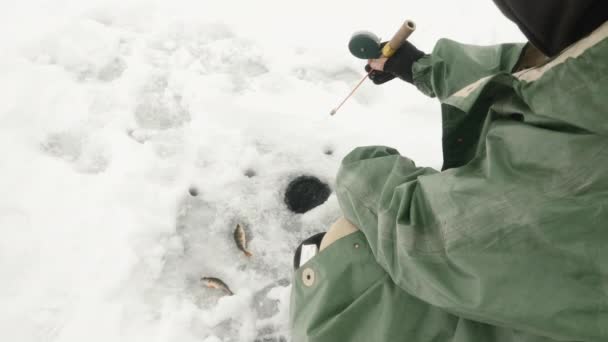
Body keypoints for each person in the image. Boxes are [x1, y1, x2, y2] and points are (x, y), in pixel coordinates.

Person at [290, 1, 608, 341]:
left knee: (346, 253)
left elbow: (423, 232)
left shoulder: (577, 158)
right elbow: (549, 73)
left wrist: (358, 171)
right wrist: (419, 67)